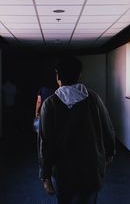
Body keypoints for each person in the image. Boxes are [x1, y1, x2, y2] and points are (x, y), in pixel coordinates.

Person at [38, 56, 115, 204]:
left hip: (62, 170)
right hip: (91, 167)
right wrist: (109, 152)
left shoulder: (50, 104)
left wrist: (45, 175)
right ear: (79, 75)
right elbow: (107, 128)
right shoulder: (93, 98)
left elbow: (44, 143)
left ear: (58, 76)